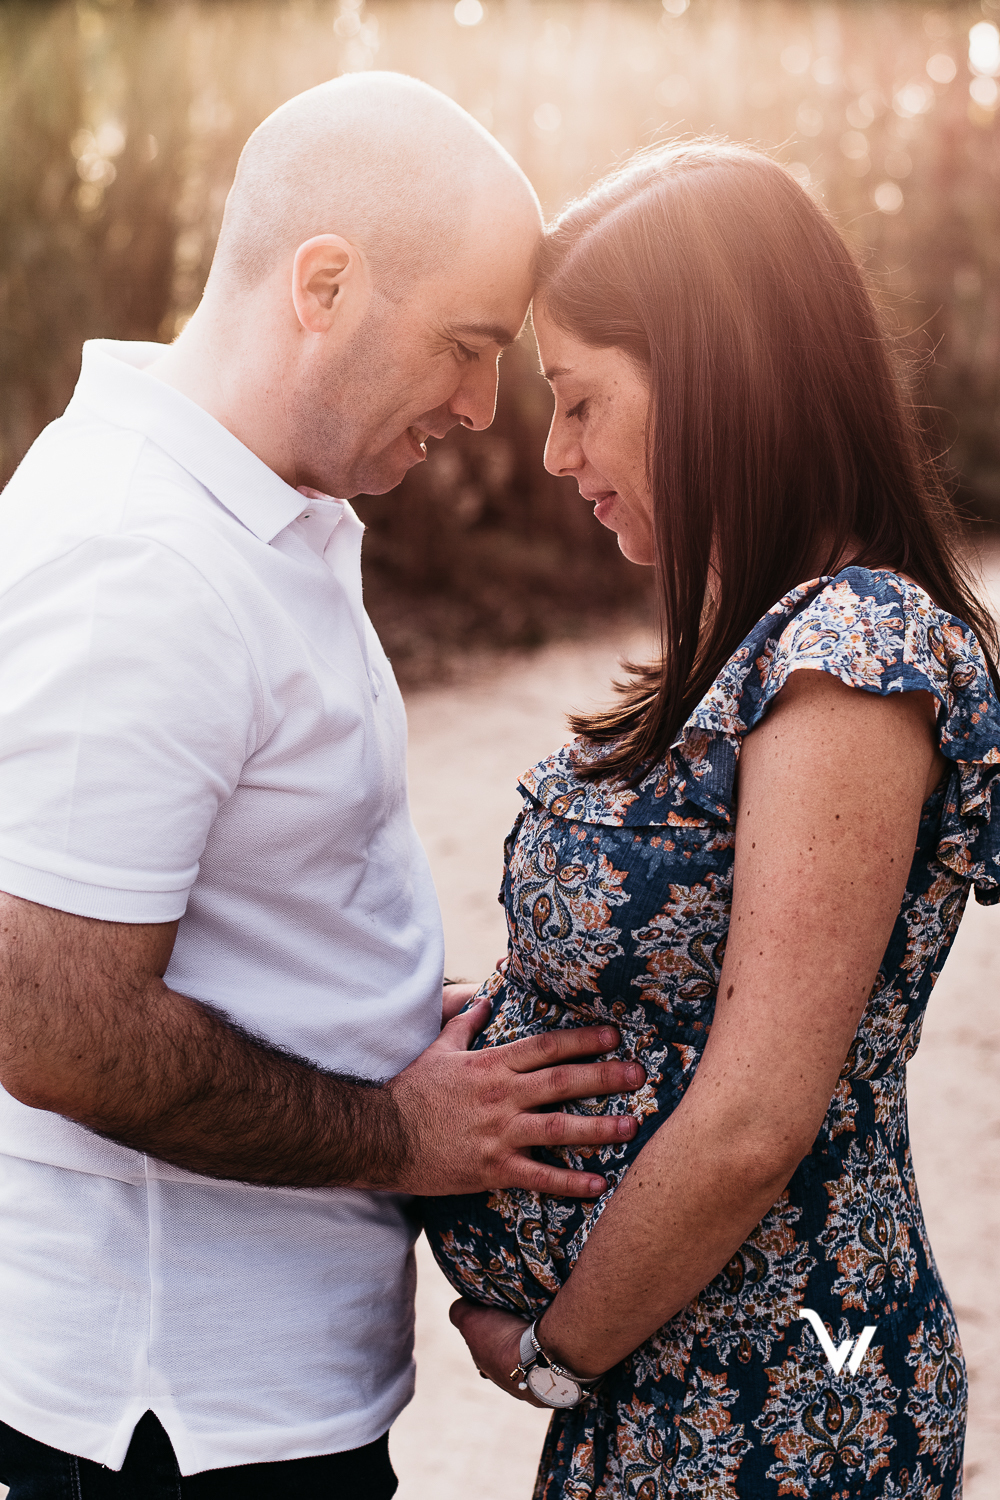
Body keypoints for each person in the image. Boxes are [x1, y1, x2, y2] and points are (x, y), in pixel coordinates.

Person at [0, 74, 646, 1498]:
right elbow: (52, 1022)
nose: (485, 408)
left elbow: (231, 916)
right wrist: (409, 1128)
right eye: (470, 348)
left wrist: (383, 1013)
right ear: (327, 284)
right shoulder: (143, 559)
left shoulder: (261, 519)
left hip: (254, 1407)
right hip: (175, 1421)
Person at [424, 140, 1000, 1499]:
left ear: (712, 379)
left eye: (580, 401)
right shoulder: (760, 644)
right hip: (685, 1377)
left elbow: (753, 1116)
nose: (558, 453)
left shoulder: (854, 652)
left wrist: (560, 1355)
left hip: (785, 1391)